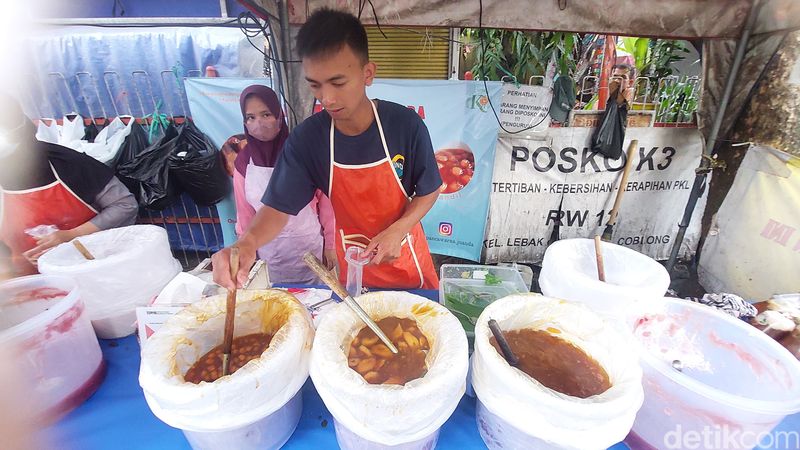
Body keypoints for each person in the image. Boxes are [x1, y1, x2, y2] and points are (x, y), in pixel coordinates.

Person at [213, 8, 442, 290]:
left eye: (338, 82)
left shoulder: (405, 125)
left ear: (367, 73)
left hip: (407, 263)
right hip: (353, 271)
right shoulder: (308, 140)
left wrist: (398, 229)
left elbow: (429, 189)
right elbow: (278, 207)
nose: (328, 98)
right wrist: (247, 243)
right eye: (315, 85)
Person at [0, 96, 138, 275]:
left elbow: (125, 205)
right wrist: (12, 264)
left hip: (94, 269)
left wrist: (72, 235)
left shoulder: (68, 164)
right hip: (26, 283)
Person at [232, 84, 336, 283]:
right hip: (270, 253)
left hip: (310, 246)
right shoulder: (243, 164)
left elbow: (326, 206)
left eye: (266, 114)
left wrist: (331, 245)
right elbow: (245, 215)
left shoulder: (303, 153)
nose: (258, 123)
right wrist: (245, 250)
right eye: (251, 117)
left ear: (279, 115)